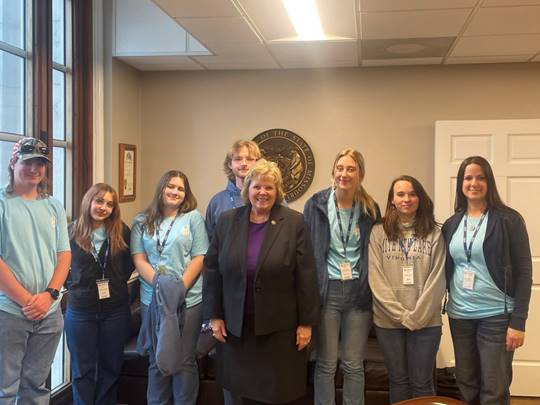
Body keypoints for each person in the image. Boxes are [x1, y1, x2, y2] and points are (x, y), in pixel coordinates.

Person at [203, 159, 319, 405]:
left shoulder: (294, 222)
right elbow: (212, 271)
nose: (262, 192)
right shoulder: (226, 221)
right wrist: (214, 316)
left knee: (274, 395)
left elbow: (306, 275)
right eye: (257, 186)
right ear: (248, 189)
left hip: (278, 330)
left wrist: (306, 323)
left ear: (277, 192)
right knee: (238, 394)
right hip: (236, 329)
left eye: (269, 187)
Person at [442, 156, 532, 405]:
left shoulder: (509, 220)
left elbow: (525, 272)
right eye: (468, 178)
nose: (474, 183)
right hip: (460, 315)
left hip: (497, 316)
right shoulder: (452, 223)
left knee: (494, 389)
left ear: (489, 181)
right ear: (461, 183)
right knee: (467, 384)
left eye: (480, 177)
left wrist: (519, 322)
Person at [303, 148, 380, 405]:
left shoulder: (370, 209)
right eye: (340, 168)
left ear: (360, 174)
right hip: (327, 292)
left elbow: (374, 252)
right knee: (326, 363)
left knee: (353, 363)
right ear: (333, 171)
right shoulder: (315, 204)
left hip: (359, 293)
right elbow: (305, 251)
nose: (344, 174)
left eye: (351, 169)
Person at [0, 137, 71, 404]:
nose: (34, 169)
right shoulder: (3, 204)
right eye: (28, 161)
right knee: (5, 389)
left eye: (40, 163)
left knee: (36, 387)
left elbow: (64, 255)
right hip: (9, 312)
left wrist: (49, 295)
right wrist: (28, 301)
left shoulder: (53, 205)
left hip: (49, 314)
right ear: (13, 162)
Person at [131, 170, 209, 405]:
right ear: (161, 189)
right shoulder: (141, 220)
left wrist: (178, 288)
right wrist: (161, 286)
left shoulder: (193, 218)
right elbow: (139, 258)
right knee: (157, 360)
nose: (175, 192)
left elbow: (200, 256)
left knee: (184, 360)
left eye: (180, 188)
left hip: (188, 300)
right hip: (152, 301)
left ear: (186, 194)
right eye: (171, 186)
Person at [368, 175, 446, 403]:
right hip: (388, 322)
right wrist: (402, 315)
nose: (406, 199)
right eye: (400, 194)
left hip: (426, 322)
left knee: (422, 382)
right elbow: (375, 278)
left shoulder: (435, 232)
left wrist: (417, 317)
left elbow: (438, 279)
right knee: (398, 381)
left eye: (412, 194)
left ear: (420, 198)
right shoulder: (378, 232)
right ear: (392, 200)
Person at [65, 183, 134, 405]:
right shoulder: (70, 232)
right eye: (99, 201)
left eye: (109, 204)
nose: (103, 207)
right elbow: (60, 266)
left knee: (110, 369)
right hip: (80, 312)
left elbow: (129, 265)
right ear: (89, 201)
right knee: (81, 371)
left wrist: (114, 282)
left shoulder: (122, 231)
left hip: (115, 311)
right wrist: (76, 285)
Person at [205, 140, 261, 240]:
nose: (244, 163)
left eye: (249, 159)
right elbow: (210, 243)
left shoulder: (268, 198)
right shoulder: (217, 202)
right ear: (230, 164)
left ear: (257, 163)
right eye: (238, 159)